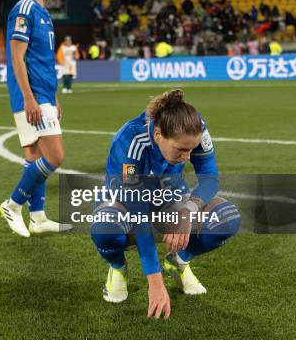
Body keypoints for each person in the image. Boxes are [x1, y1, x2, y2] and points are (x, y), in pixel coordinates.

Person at [91, 89, 240, 319]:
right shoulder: (130, 140)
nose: (188, 157)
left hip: (169, 194)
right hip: (127, 201)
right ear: (158, 134)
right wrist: (155, 282)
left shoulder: (196, 127)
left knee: (227, 217)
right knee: (105, 226)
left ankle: (179, 260)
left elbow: (209, 177)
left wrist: (189, 210)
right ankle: (118, 267)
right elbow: (137, 211)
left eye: (191, 149)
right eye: (181, 149)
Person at [0, 0, 70, 237]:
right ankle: (12, 205)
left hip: (43, 94)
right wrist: (30, 98)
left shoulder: (42, 14)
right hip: (32, 96)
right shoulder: (24, 10)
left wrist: (54, 98)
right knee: (54, 156)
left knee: (35, 155)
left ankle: (38, 217)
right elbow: (16, 58)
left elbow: (41, 61)